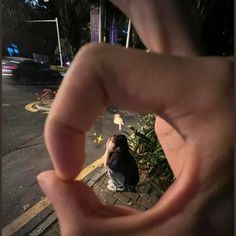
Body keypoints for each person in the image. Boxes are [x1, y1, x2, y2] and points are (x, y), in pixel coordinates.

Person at [37, 1, 233, 235]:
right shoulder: (128, 153)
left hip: (126, 182)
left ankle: (119, 188)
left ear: (116, 147)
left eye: (111, 142)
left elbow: (106, 164)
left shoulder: (116, 159)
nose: (108, 141)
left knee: (109, 173)